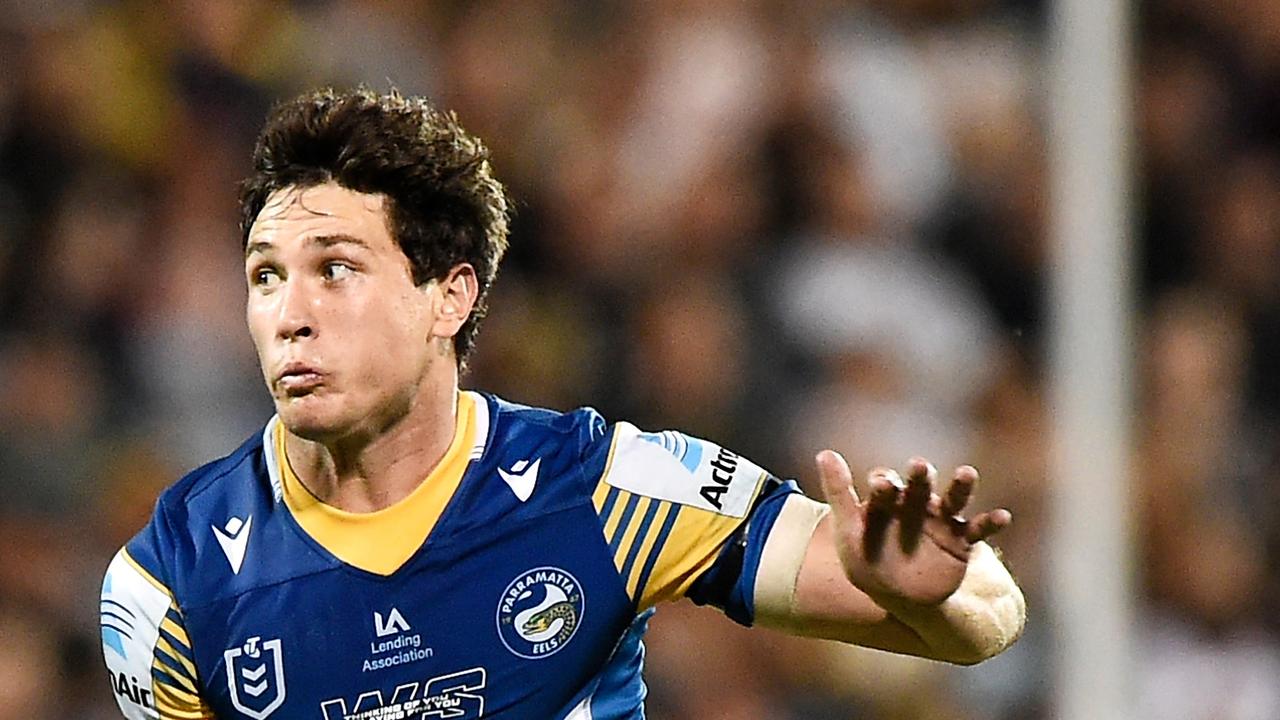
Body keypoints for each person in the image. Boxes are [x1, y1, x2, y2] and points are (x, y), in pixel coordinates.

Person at [99, 88, 1025, 720]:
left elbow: (987, 619)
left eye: (335, 269)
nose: (290, 315)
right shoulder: (171, 583)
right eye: (266, 277)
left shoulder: (606, 489)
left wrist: (930, 596)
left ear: (448, 297)